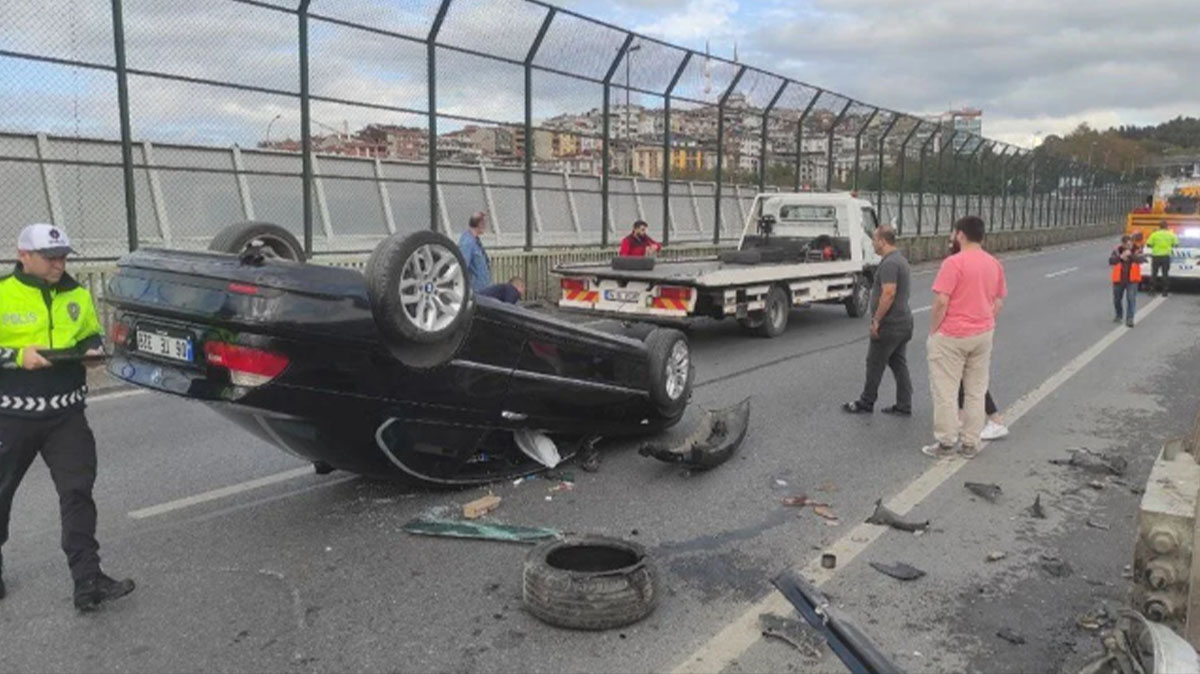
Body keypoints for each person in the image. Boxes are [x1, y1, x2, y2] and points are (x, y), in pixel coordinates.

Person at [0, 224, 134, 611]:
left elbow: (89, 334)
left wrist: (92, 349)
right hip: (11, 415)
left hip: (67, 415)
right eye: (50, 257)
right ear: (23, 255)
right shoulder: (4, 293)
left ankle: (88, 580)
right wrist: (16, 357)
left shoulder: (76, 293)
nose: (59, 264)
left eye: (63, 257)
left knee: (77, 493)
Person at [922, 216, 1007, 460]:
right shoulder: (994, 263)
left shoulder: (953, 263)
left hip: (952, 335)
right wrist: (984, 319)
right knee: (976, 391)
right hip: (983, 334)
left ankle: (946, 442)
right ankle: (971, 442)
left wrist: (934, 330)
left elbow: (941, 301)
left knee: (946, 391)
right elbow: (999, 300)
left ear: (960, 234)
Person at [843, 225, 912, 415]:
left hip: (890, 325)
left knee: (874, 362)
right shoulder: (900, 260)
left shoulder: (890, 264)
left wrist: (876, 320)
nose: (872, 243)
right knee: (898, 363)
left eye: (874, 239)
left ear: (882, 241)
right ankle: (904, 404)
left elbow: (888, 293)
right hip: (903, 323)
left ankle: (866, 402)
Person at [1110, 234, 1145, 327]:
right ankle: (1119, 315)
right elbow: (1111, 261)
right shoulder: (1117, 250)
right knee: (1117, 299)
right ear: (1122, 244)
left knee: (1131, 299)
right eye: (1125, 245)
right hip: (1119, 279)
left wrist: (1131, 255)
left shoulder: (1137, 249)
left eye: (1129, 244)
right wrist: (1120, 257)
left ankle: (1130, 319)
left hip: (1132, 280)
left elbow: (1141, 259)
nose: (1127, 246)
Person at [458, 211, 491, 291]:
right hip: (475, 289)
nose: (485, 227)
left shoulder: (475, 240)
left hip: (483, 286)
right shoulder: (467, 242)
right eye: (484, 223)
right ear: (480, 224)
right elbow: (464, 266)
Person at [1145, 221, 1178, 297]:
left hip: (1156, 256)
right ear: (1167, 227)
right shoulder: (1171, 234)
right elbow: (1176, 245)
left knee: (1154, 274)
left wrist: (1155, 246)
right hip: (1166, 256)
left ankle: (1152, 290)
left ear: (1159, 227)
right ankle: (1165, 291)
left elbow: (1149, 244)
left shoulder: (1155, 234)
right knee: (1165, 274)